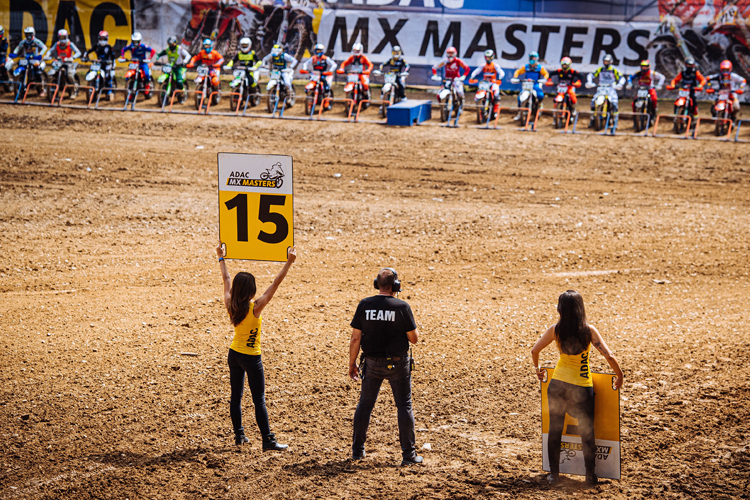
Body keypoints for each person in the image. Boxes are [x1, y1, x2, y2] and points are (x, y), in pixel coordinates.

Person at [531, 290, 624, 486]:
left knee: (555, 430)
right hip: (582, 389)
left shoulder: (555, 330)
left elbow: (535, 350)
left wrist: (538, 369)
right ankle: (590, 475)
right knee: (586, 431)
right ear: (581, 308)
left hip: (557, 386)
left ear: (560, 309)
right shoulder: (589, 331)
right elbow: (609, 356)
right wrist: (619, 375)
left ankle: (554, 475)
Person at [216, 241, 296, 450]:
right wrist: (289, 262)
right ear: (251, 290)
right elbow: (275, 284)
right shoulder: (256, 307)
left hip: (234, 354)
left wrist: (221, 257)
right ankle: (268, 440)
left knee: (236, 397)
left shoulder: (229, 303)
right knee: (258, 399)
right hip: (252, 358)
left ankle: (239, 435)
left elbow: (225, 278)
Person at [349, 268, 422, 466]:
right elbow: (414, 339)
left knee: (365, 405)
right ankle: (408, 455)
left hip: (371, 363)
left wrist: (352, 363)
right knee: (404, 405)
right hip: (398, 363)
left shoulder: (365, 305)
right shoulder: (402, 307)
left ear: (376, 284)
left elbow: (356, 337)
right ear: (396, 286)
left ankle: (357, 451)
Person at [586, 54, 626, 127]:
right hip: (601, 88)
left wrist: (619, 84)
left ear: (610, 62)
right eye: (605, 61)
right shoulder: (600, 69)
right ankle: (592, 119)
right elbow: (590, 75)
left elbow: (622, 78)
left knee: (614, 104)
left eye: (607, 62)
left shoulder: (614, 69)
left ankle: (615, 121)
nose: (606, 63)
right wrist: (590, 82)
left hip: (611, 88)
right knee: (593, 102)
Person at [666, 58, 706, 125]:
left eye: (691, 65)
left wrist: (700, 86)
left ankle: (695, 117)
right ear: (685, 65)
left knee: (694, 102)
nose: (689, 67)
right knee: (677, 101)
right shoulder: (683, 73)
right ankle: (676, 116)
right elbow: (675, 80)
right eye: (688, 65)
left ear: (693, 65)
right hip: (683, 90)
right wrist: (672, 85)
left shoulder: (696, 73)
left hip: (691, 90)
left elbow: (703, 80)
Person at [44, 29, 82, 97]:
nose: (62, 39)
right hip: (59, 62)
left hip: (68, 63)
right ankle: (50, 88)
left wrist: (72, 57)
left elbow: (78, 52)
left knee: (69, 75)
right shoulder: (57, 44)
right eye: (60, 37)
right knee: (53, 72)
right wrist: (47, 55)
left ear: (66, 37)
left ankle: (73, 90)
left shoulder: (70, 44)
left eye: (63, 37)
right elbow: (50, 50)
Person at [10, 27, 48, 96]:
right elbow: (18, 47)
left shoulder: (36, 41)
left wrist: (40, 55)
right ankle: (21, 88)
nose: (28, 36)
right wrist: (14, 53)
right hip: (26, 59)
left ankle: (41, 89)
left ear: (33, 34)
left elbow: (44, 47)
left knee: (38, 72)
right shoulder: (23, 42)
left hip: (34, 59)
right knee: (19, 66)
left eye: (29, 34)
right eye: (26, 34)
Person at [512, 51, 549, 120]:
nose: (532, 59)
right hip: (527, 84)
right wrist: (515, 77)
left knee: (540, 95)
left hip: (535, 84)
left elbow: (546, 74)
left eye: (534, 58)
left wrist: (544, 79)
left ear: (537, 59)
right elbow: (518, 71)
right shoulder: (526, 66)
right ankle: (520, 113)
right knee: (519, 97)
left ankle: (539, 105)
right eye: (531, 58)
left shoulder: (540, 67)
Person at [120, 32, 156, 98]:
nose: (135, 43)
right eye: (134, 41)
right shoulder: (130, 46)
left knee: (146, 74)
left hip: (142, 63)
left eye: (136, 41)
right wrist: (123, 57)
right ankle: (129, 90)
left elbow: (153, 51)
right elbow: (123, 50)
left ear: (139, 41)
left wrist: (149, 58)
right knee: (127, 76)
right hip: (134, 63)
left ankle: (147, 85)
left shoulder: (143, 46)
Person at [82, 31, 118, 98]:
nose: (102, 40)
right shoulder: (96, 46)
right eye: (101, 38)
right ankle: (93, 87)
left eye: (104, 38)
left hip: (106, 64)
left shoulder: (109, 47)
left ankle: (109, 91)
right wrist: (84, 57)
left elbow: (113, 56)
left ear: (107, 39)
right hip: (98, 64)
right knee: (90, 70)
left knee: (108, 76)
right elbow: (88, 51)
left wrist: (112, 64)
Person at [156, 36, 192, 100]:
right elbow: (161, 53)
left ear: (175, 43)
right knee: (165, 74)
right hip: (170, 67)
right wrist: (158, 57)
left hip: (178, 67)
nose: (170, 45)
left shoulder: (179, 48)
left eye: (172, 44)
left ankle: (182, 91)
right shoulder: (167, 49)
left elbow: (188, 55)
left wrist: (184, 62)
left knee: (179, 80)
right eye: (169, 44)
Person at [469, 49, 505, 114]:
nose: (488, 59)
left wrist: (499, 78)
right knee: (480, 91)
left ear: (492, 57)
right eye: (486, 57)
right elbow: (476, 71)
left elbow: (501, 72)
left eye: (489, 57)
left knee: (496, 94)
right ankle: (480, 104)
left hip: (493, 82)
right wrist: (472, 76)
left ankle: (495, 110)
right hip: (485, 83)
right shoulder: (483, 65)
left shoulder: (495, 65)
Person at [0, 25, 10, 92]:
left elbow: (5, 48)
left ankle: (6, 79)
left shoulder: (4, 40)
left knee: (2, 65)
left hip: (1, 55)